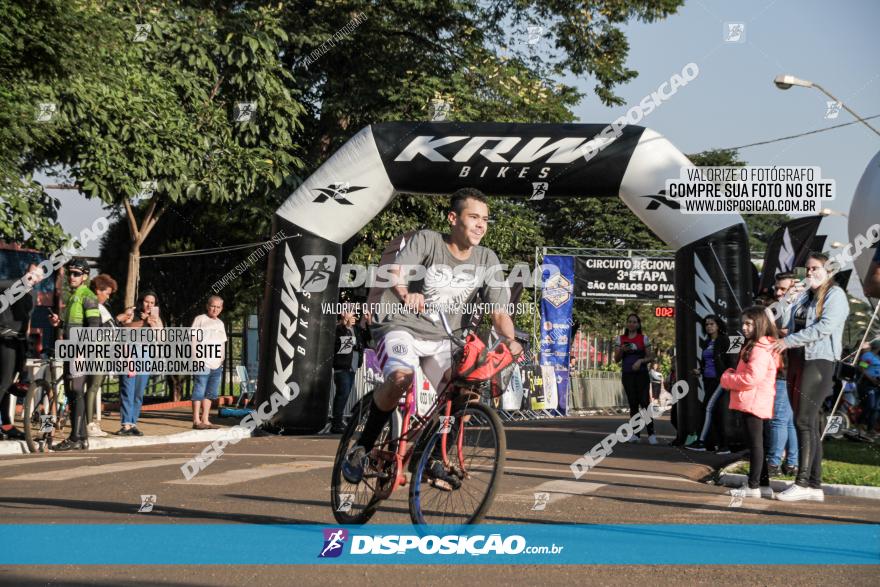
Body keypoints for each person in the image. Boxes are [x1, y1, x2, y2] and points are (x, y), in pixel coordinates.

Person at [341, 188, 523, 485]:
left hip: (443, 338)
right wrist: (405, 293)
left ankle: (431, 457)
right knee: (401, 377)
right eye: (473, 217)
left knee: (466, 388)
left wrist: (510, 341)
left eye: (485, 220)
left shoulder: (487, 258)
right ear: (453, 218)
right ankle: (362, 446)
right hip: (400, 325)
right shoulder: (428, 240)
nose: (481, 225)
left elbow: (500, 313)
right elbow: (397, 271)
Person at [774, 252, 850, 502]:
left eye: (815, 268)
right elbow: (785, 323)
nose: (809, 273)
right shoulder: (805, 296)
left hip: (818, 360)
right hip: (797, 359)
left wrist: (787, 341)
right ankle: (815, 484)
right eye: (806, 269)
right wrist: (787, 299)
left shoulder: (835, 295)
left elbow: (824, 327)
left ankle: (803, 482)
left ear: (829, 271)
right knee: (809, 422)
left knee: (804, 421)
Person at [721, 306, 779, 499]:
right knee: (758, 444)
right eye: (742, 323)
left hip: (753, 402)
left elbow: (751, 378)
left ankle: (753, 485)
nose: (744, 327)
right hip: (755, 401)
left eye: (748, 323)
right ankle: (762, 484)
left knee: (755, 445)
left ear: (759, 324)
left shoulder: (759, 349)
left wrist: (727, 379)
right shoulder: (758, 346)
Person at [48, 259, 101, 450]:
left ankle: (75, 438)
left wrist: (81, 352)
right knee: (72, 393)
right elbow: (75, 326)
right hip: (72, 349)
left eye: (77, 274)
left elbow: (94, 326)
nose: (72, 277)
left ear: (85, 276)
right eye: (70, 273)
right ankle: (82, 438)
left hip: (81, 352)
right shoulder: (73, 297)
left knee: (76, 392)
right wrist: (59, 323)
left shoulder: (87, 295)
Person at [0, 263, 44, 440]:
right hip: (4, 339)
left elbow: (27, 321)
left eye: (39, 275)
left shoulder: (33, 294)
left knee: (9, 386)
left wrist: (27, 347)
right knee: (3, 383)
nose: (35, 277)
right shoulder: (11, 285)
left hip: (19, 342)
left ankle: (7, 425)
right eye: (32, 273)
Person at [83, 274, 125, 438]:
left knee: (93, 388)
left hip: (101, 352)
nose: (108, 296)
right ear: (97, 290)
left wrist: (118, 320)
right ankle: (88, 424)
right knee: (92, 388)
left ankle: (89, 423)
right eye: (106, 293)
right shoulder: (92, 304)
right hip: (95, 352)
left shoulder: (101, 307)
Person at [764, 273, 799, 476]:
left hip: (786, 369)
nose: (778, 293)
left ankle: (774, 462)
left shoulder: (797, 307)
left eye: (783, 289)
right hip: (785, 368)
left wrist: (782, 332)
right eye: (776, 288)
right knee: (787, 419)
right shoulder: (777, 308)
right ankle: (791, 463)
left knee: (779, 418)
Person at [117, 290, 163, 436]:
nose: (149, 305)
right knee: (128, 389)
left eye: (152, 303)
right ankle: (125, 424)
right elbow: (124, 328)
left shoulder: (155, 317)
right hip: (130, 352)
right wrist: (143, 322)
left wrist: (153, 322)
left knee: (138, 392)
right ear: (141, 301)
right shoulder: (132, 312)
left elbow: (161, 337)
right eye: (146, 301)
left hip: (146, 354)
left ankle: (133, 423)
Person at [687, 315, 732, 454]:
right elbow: (706, 362)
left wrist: (727, 375)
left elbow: (728, 361)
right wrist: (699, 370)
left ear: (718, 325)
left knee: (707, 407)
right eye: (706, 324)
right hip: (708, 380)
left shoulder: (723, 340)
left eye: (712, 324)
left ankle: (701, 441)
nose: (709, 326)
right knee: (715, 412)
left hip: (720, 380)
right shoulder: (707, 342)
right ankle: (721, 445)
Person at [614, 314, 657, 444]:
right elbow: (616, 360)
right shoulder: (620, 339)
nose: (632, 324)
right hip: (627, 375)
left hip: (641, 375)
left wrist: (640, 361)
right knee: (633, 404)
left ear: (638, 325)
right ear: (627, 324)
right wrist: (621, 350)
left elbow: (651, 357)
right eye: (630, 322)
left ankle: (651, 434)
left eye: (634, 322)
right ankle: (636, 434)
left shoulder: (643, 338)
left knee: (644, 403)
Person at [190, 296, 227, 430]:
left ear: (221, 308)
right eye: (213, 306)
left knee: (210, 393)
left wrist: (221, 359)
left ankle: (205, 419)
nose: (215, 309)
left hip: (216, 364)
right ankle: (196, 420)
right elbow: (193, 338)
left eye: (218, 307)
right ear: (207, 306)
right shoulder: (200, 319)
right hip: (202, 362)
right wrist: (196, 357)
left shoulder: (220, 323)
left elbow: (222, 343)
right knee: (199, 390)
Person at [330, 311, 367, 433]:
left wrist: (368, 321)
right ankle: (336, 423)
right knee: (342, 394)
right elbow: (344, 348)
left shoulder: (355, 329)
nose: (353, 316)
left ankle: (337, 422)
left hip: (353, 366)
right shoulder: (339, 328)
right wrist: (346, 327)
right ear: (343, 315)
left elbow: (365, 338)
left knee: (344, 395)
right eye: (350, 314)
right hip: (343, 366)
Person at [857, 339, 880, 436]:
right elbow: (862, 369)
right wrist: (871, 379)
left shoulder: (878, 357)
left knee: (876, 408)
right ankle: (861, 425)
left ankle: (871, 429)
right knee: (870, 405)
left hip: (877, 384)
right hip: (868, 384)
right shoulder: (867, 356)